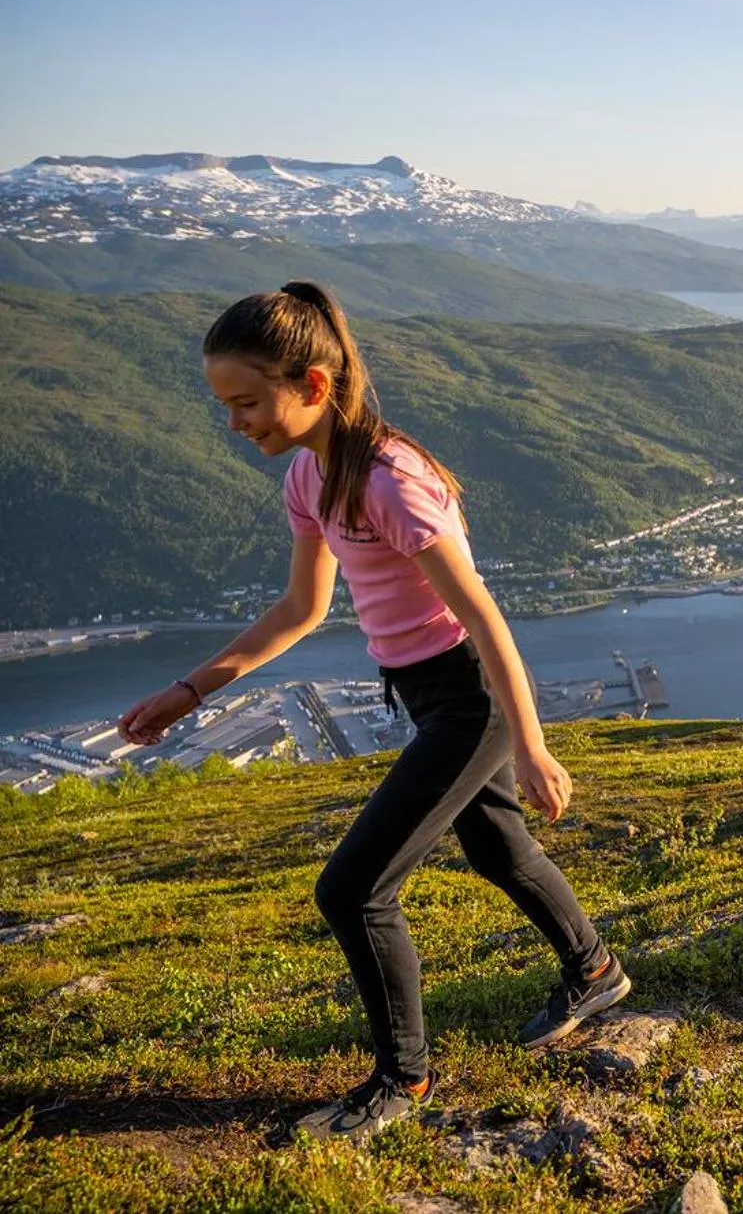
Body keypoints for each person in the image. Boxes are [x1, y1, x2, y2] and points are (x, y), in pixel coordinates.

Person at [116, 281, 627, 1142]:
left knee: (353, 890)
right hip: (429, 694)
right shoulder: (311, 475)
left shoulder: (391, 482)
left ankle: (403, 1078)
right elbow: (301, 609)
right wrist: (189, 690)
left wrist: (532, 744)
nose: (233, 423)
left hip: (470, 698)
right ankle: (596, 970)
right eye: (224, 405)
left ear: (313, 385)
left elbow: (484, 618)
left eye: (246, 402)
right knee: (498, 849)